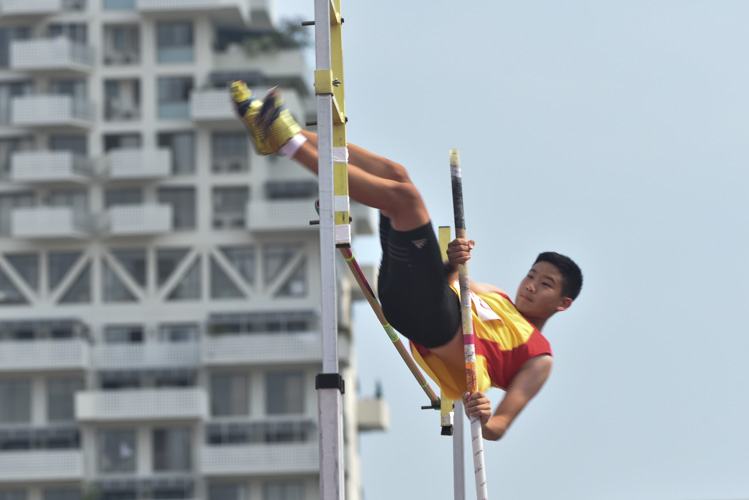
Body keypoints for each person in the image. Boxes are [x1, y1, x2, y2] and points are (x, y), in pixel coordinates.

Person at [230, 82, 583, 441]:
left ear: (563, 303)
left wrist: (485, 414)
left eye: (545, 285)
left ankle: (286, 143)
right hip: (416, 296)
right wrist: (451, 261)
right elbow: (445, 279)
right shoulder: (497, 296)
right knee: (394, 176)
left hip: (434, 325)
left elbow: (499, 428)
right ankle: (280, 129)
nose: (531, 285)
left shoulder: (540, 357)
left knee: (405, 201)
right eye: (532, 275)